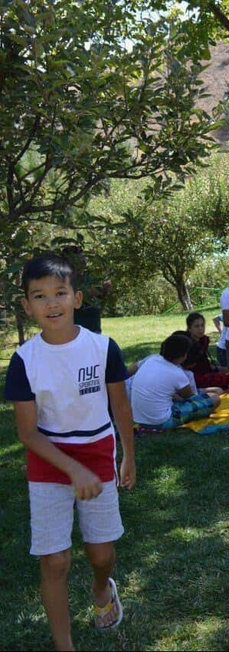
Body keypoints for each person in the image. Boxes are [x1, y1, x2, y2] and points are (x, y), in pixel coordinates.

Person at [3, 254, 135, 650]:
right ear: (27, 306)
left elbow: (120, 406)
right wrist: (72, 469)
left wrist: (129, 455)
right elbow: (28, 433)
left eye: (59, 293)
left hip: (98, 453)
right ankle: (65, 646)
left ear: (76, 298)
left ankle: (101, 587)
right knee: (55, 560)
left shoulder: (102, 348)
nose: (51, 303)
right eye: (39, 296)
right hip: (47, 460)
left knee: (101, 553)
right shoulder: (23, 361)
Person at [129, 333, 220, 429]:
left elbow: (131, 370)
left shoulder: (152, 359)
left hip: (138, 418)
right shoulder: (178, 373)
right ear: (184, 355)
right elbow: (190, 398)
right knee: (214, 398)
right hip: (160, 421)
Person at [186, 312, 229, 389]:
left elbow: (207, 364)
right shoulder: (187, 345)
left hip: (208, 372)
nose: (200, 329)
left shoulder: (203, 340)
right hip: (196, 379)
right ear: (189, 328)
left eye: (202, 325)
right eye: (197, 326)